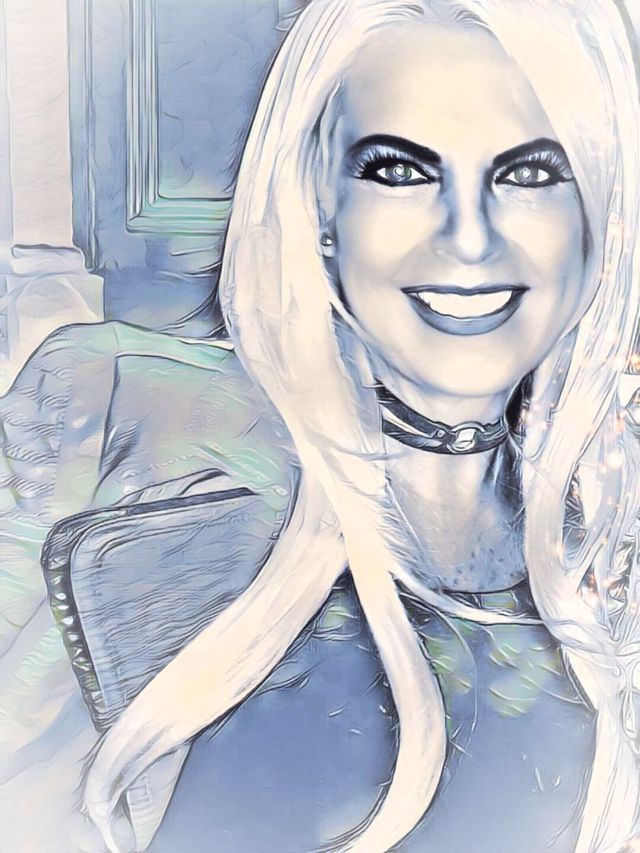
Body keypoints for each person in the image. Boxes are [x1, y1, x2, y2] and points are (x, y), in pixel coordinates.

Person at [2, 0, 640, 851]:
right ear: (319, 208)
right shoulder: (115, 417)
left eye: (528, 173)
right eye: (399, 171)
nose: (469, 239)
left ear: (600, 214)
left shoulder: (608, 541)